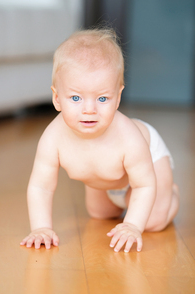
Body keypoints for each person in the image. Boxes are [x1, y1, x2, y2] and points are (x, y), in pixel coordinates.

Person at [20, 28, 179, 253]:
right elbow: (40, 186)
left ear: (118, 97)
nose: (89, 110)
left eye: (102, 98)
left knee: (152, 222)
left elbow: (144, 184)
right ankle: (122, 198)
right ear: (57, 98)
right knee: (100, 214)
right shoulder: (52, 138)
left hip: (149, 162)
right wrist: (41, 228)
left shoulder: (128, 137)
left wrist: (132, 225)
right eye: (75, 98)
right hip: (106, 177)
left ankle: (170, 193)